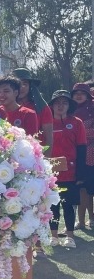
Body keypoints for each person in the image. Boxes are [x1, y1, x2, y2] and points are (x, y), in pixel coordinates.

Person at [48, 90, 86, 248]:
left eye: (64, 103)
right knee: (52, 206)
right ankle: (54, 236)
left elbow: (82, 148)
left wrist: (81, 174)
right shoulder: (46, 122)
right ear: (51, 105)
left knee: (69, 205)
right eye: (57, 103)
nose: (60, 106)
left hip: (71, 172)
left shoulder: (77, 122)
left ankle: (70, 236)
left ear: (69, 105)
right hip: (50, 172)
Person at [12, 68, 53, 155]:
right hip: (8, 155)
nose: (22, 87)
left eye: (25, 84)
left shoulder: (42, 107)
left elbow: (49, 138)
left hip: (35, 156)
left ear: (30, 86)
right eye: (18, 84)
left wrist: (45, 160)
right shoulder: (3, 108)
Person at [72, 82, 94, 229]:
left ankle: (91, 218)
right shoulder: (69, 109)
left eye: (82, 93)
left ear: (87, 95)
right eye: (76, 93)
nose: (79, 96)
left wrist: (78, 133)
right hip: (76, 155)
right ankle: (80, 221)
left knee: (90, 189)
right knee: (81, 189)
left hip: (91, 154)